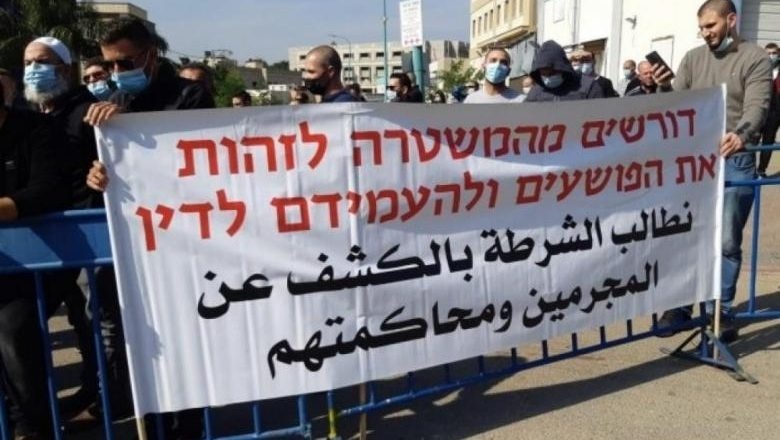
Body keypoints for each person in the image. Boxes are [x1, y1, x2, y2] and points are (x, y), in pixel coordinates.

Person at [84, 17, 214, 438]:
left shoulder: (190, 96)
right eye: (109, 65)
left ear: (150, 56)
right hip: (138, 243)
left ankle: (189, 428)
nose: (116, 73)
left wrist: (132, 126)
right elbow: (108, 168)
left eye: (124, 63)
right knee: (144, 347)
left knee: (185, 344)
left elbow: (197, 156)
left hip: (183, 243)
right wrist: (97, 175)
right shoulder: (115, 100)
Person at [653, 0, 772, 342]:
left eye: (710, 26)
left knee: (726, 240)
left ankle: (720, 310)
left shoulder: (754, 58)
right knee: (686, 234)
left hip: (736, 159)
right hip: (694, 162)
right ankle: (680, 308)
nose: (705, 33)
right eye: (701, 28)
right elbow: (675, 105)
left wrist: (742, 135)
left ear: (731, 20)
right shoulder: (693, 59)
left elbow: (758, 105)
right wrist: (662, 87)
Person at [22, 36, 104, 420]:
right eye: (27, 63)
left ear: (65, 70)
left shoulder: (89, 112)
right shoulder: (32, 116)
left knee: (93, 321)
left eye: (41, 62)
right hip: (46, 239)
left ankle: (102, 395)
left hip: (89, 233)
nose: (32, 70)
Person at [0, 76, 70, 440]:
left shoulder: (36, 130)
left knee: (14, 331)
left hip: (39, 260)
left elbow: (46, 190)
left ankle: (33, 427)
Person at [525, 40, 606, 102]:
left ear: (562, 68)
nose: (548, 78)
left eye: (552, 73)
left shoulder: (588, 87)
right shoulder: (535, 93)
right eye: (544, 74)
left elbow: (601, 113)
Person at [757, 42, 780, 178]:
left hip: (776, 111)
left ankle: (761, 170)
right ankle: (751, 169)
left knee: (768, 141)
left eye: (774, 53)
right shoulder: (759, 69)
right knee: (754, 141)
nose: (771, 56)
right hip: (761, 111)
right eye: (768, 53)